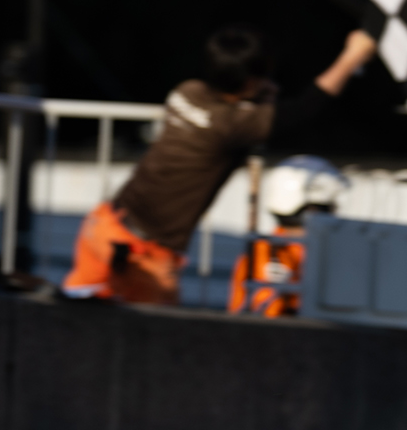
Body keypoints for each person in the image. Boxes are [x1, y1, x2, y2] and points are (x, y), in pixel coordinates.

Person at [62, 25, 378, 304]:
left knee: (71, 321)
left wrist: (259, 96)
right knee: (151, 344)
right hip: (143, 256)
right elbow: (305, 107)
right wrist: (352, 57)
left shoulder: (186, 92)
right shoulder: (233, 126)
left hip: (104, 225)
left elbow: (242, 110)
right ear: (251, 82)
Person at [227, 155, 348, 317]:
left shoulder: (264, 248)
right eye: (327, 207)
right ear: (311, 210)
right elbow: (269, 314)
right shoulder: (268, 253)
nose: (333, 213)